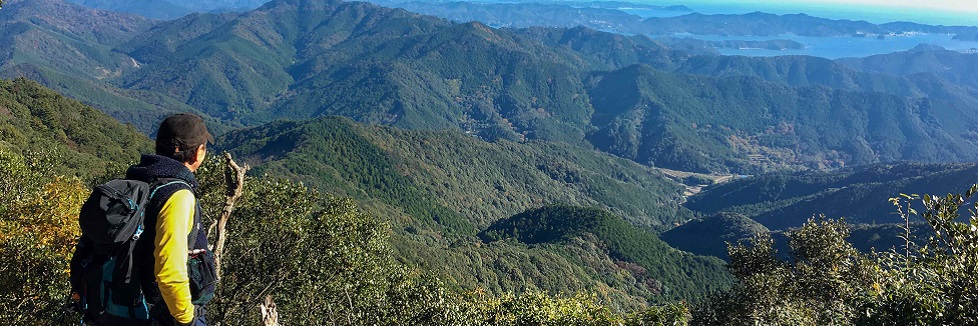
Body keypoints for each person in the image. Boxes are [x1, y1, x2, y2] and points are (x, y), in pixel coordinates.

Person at [99, 113, 213, 326]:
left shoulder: (138, 181)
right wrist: (186, 317)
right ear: (198, 153)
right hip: (160, 313)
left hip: (120, 303)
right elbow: (169, 271)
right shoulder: (178, 195)